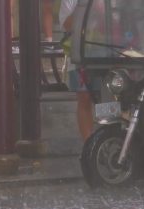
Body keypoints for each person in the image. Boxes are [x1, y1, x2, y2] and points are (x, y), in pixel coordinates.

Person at [60, 0, 95, 141]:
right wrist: (84, 6)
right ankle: (89, 144)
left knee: (110, 98)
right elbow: (66, 24)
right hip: (80, 55)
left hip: (109, 52)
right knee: (84, 98)